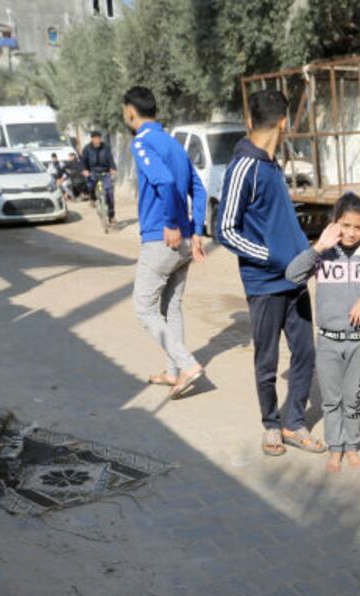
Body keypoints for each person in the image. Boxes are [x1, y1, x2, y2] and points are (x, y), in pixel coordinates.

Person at [215, 88, 322, 456]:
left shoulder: (271, 166)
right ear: (284, 123)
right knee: (267, 359)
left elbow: (279, 223)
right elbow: (225, 229)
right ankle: (271, 425)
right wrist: (273, 256)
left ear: (250, 121)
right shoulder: (243, 167)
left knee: (306, 352)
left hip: (295, 280)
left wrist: (307, 255)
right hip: (265, 283)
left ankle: (294, 423)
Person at [285, 193, 360, 472]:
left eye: (357, 227)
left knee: (354, 398)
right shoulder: (323, 253)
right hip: (328, 341)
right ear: (334, 223)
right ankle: (334, 448)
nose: (351, 233)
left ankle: (351, 445)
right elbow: (292, 275)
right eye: (345, 225)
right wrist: (317, 247)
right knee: (331, 399)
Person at [123, 86, 207, 398]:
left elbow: (164, 181)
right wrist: (196, 229)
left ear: (130, 111)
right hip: (184, 240)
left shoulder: (142, 142)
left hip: (163, 238)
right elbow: (197, 188)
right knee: (171, 306)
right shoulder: (174, 144)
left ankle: (186, 365)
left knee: (143, 307)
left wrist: (172, 222)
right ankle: (173, 371)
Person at [82, 130, 118, 222]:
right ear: (92, 139)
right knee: (90, 185)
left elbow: (110, 158)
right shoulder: (87, 149)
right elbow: (83, 161)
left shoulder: (106, 147)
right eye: (95, 138)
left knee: (110, 192)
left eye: (99, 138)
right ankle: (92, 198)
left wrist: (113, 168)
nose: (97, 140)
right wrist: (85, 170)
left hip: (105, 172)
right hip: (93, 172)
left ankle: (111, 215)